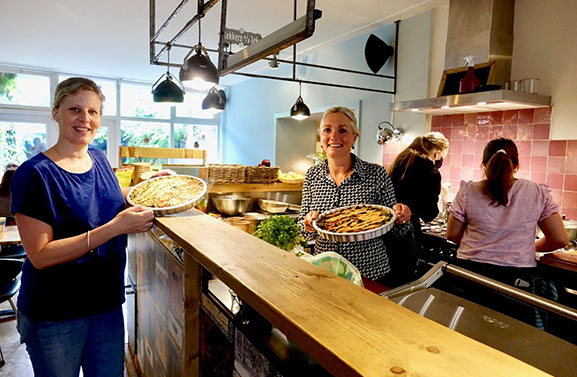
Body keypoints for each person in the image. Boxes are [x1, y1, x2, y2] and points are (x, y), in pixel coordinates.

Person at [10, 77, 156, 377]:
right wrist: (114, 228)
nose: (85, 119)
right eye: (75, 109)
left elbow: (112, 198)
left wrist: (150, 187)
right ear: (56, 112)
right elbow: (41, 255)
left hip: (106, 304)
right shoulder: (34, 175)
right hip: (55, 313)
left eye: (93, 112)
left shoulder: (99, 159)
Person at [446, 138, 568, 324]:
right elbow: (559, 239)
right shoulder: (537, 192)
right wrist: (527, 247)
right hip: (515, 277)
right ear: (516, 165)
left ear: (484, 164)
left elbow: (453, 235)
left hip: (470, 272)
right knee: (510, 335)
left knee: (465, 328)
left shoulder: (468, 191)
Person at [299, 106, 413, 285]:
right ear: (321, 137)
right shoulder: (312, 176)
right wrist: (307, 224)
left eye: (343, 130)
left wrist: (402, 216)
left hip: (368, 273)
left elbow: (396, 230)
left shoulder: (375, 174)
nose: (334, 136)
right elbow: (303, 232)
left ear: (354, 138)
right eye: (327, 130)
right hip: (325, 272)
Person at [388, 132, 449, 241]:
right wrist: (440, 195)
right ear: (437, 153)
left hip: (387, 224)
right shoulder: (430, 171)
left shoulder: (402, 159)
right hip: (407, 230)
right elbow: (429, 214)